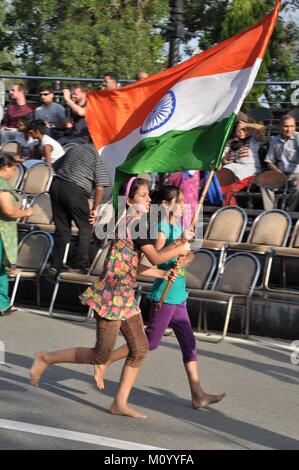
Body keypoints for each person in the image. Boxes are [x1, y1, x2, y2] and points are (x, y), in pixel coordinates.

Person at [30, 177, 191, 419]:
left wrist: (163, 272)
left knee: (140, 349)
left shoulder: (133, 223)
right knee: (100, 355)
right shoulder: (135, 226)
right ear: (130, 200)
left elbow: (135, 266)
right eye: (144, 195)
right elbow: (156, 257)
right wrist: (180, 246)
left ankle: (119, 403)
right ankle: (46, 357)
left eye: (149, 195)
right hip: (111, 296)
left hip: (125, 297)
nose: (149, 199)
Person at [93, 185, 226, 410]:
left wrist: (186, 255)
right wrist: (178, 247)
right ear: (165, 205)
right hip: (165, 290)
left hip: (178, 290)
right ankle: (104, 361)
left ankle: (198, 394)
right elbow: (156, 258)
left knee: (188, 343)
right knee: (150, 342)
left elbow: (187, 253)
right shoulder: (162, 227)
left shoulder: (177, 225)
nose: (184, 205)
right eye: (179, 201)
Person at [48, 143, 111, 274]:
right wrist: (94, 208)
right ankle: (77, 265)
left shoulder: (74, 148)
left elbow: (55, 166)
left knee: (62, 230)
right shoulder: (97, 156)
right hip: (75, 190)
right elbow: (100, 187)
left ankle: (55, 266)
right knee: (86, 227)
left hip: (56, 186)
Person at [0, 152, 33, 315]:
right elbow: (9, 211)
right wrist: (25, 213)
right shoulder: (2, 186)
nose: (13, 172)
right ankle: (2, 303)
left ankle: (3, 303)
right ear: (5, 167)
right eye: (12, 168)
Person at [220, 121, 265, 206]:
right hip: (234, 170)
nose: (242, 132)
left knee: (230, 186)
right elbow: (223, 159)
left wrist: (247, 125)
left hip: (250, 171)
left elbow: (262, 128)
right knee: (222, 179)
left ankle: (231, 209)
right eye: (239, 130)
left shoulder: (253, 139)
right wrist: (225, 160)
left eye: (244, 130)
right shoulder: (231, 142)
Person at [261, 115, 299, 210]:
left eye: (292, 126)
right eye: (286, 126)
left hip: (296, 174)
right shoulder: (275, 140)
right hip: (281, 173)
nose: (289, 129)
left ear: (295, 127)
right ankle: (270, 212)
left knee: (298, 187)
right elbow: (269, 161)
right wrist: (278, 172)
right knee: (264, 183)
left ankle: (289, 213)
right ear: (280, 127)